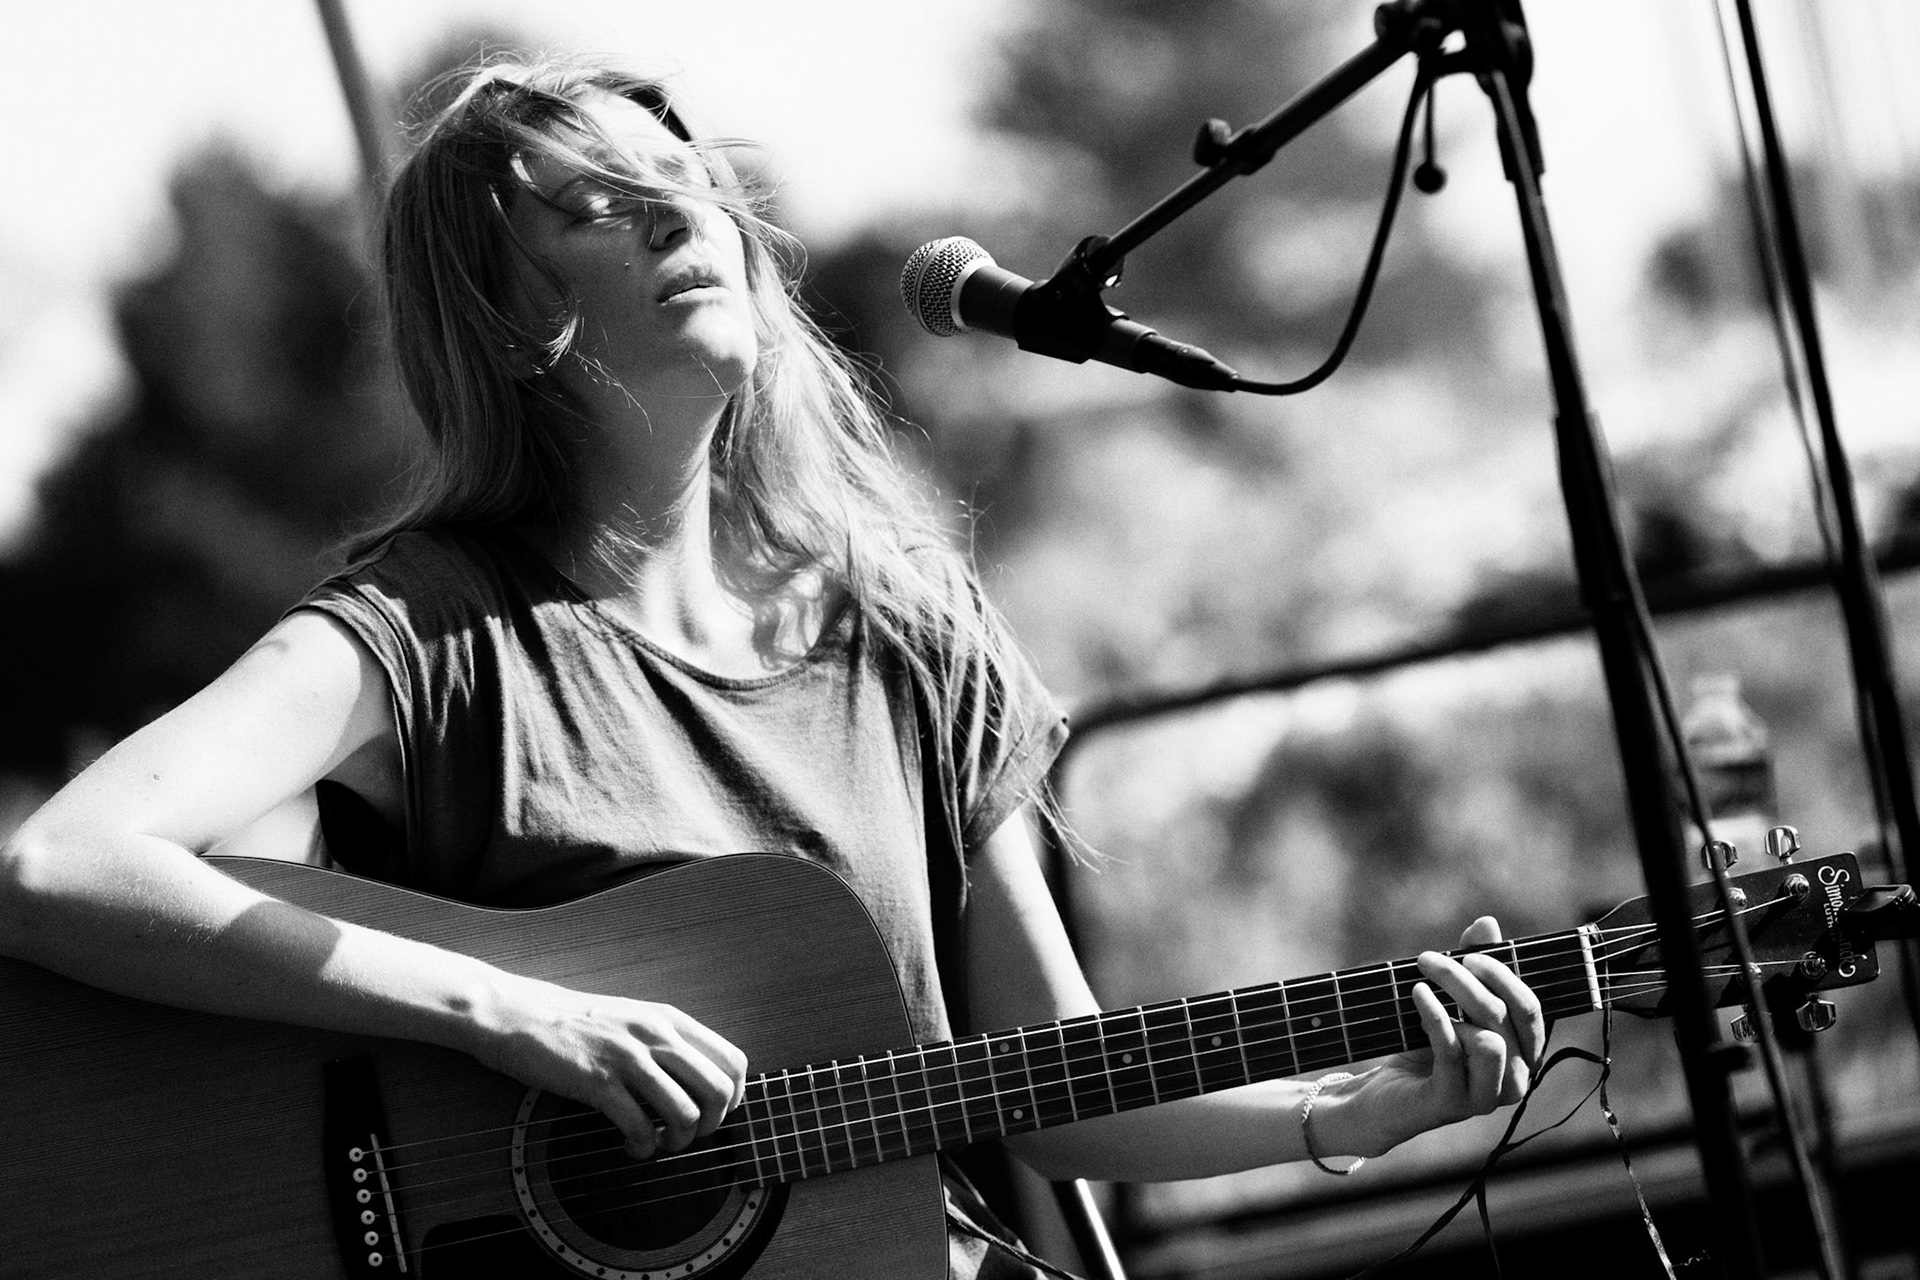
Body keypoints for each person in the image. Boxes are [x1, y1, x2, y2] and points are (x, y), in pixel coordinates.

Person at [0, 57, 1544, 1278]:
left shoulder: (911, 632)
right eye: (595, 201)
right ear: (502, 311)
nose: (679, 215)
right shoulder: (438, 631)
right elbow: (66, 859)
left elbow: (1055, 1086)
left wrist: (1350, 1109)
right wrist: (508, 1014)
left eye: (687, 183)